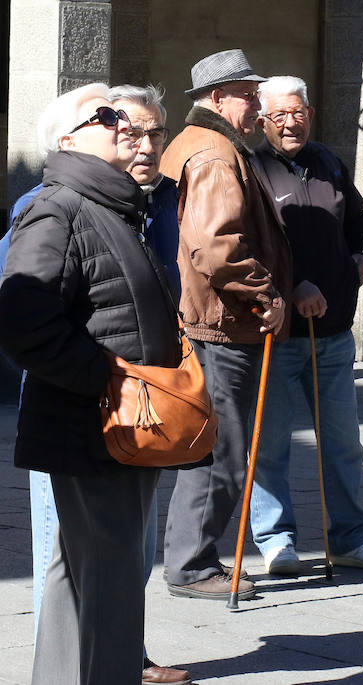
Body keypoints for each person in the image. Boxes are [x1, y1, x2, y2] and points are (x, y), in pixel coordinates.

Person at [0, 83, 182, 684]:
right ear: (68, 139)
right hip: (97, 425)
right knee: (109, 582)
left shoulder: (111, 207)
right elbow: (25, 320)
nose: (128, 127)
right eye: (109, 117)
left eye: (133, 120)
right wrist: (109, 379)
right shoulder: (58, 207)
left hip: (121, 426)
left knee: (80, 574)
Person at [248, 75, 363, 573]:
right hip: (280, 331)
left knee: (343, 442)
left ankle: (351, 538)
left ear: (310, 114)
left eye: (298, 113)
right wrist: (291, 288)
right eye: (279, 115)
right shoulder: (251, 169)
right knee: (269, 444)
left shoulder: (328, 161)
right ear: (262, 119)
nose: (291, 123)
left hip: (334, 330)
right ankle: (275, 540)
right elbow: (248, 247)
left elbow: (358, 218)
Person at [162, 49, 292, 601]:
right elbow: (217, 248)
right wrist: (265, 294)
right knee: (220, 453)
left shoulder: (200, 145)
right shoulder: (215, 153)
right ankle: (193, 566)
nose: (256, 103)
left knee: (211, 449)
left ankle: (193, 559)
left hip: (210, 321)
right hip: (222, 324)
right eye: (247, 93)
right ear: (217, 98)